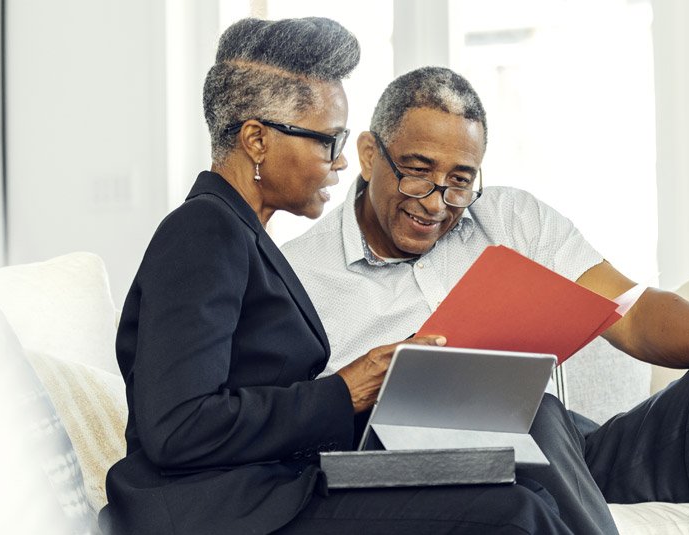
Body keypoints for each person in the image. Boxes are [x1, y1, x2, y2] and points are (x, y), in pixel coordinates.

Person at [282, 66, 689, 534]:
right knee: (512, 403)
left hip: (557, 448)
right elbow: (296, 435)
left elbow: (631, 312)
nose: (438, 202)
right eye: (419, 172)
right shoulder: (299, 275)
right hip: (427, 479)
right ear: (371, 155)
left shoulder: (513, 219)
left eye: (460, 181)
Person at [101, 19, 573, 535]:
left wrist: (396, 393)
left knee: (516, 486)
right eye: (328, 141)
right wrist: (345, 391)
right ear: (256, 140)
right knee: (516, 515)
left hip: (271, 493)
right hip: (218, 513)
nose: (344, 161)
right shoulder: (202, 231)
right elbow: (178, 427)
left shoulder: (242, 236)